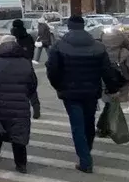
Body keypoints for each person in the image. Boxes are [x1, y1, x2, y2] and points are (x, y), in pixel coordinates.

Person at [46, 15, 123, 173]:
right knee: (88, 123)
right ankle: (86, 149)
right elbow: (107, 71)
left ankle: (85, 160)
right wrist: (113, 89)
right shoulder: (98, 46)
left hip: (70, 93)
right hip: (91, 91)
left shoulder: (59, 46)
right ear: (83, 26)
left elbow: (52, 71)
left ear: (69, 27)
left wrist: (58, 86)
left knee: (77, 125)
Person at [0, 35, 41, 174]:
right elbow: (32, 84)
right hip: (20, 105)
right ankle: (21, 164)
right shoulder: (25, 62)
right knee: (19, 134)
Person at [101, 27, 129, 116]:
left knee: (108, 99)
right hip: (122, 79)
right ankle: (115, 117)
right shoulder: (124, 52)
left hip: (106, 80)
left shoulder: (101, 50)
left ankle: (108, 113)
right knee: (119, 100)